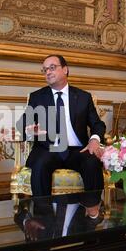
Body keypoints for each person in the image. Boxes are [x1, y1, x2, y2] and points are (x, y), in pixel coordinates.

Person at [17, 54, 106, 218]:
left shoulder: (83, 97)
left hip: (76, 150)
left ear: (65, 69)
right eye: (44, 70)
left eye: (52, 67)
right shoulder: (38, 97)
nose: (47, 72)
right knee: (41, 164)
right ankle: (43, 217)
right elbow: (22, 123)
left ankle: (92, 213)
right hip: (48, 148)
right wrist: (30, 129)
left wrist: (94, 140)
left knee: (91, 162)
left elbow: (97, 124)